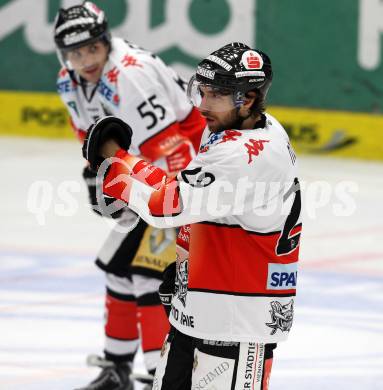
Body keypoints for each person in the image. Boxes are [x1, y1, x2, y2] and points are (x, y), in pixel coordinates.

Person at [82, 42, 302, 390]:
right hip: (205, 308)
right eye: (201, 91)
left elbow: (164, 204)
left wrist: (114, 160)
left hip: (237, 323)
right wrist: (189, 270)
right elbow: (189, 194)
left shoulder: (246, 154)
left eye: (215, 94)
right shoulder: (232, 130)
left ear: (247, 99)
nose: (202, 104)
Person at [53, 2, 206, 389]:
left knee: (148, 274)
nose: (84, 59)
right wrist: (101, 175)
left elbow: (174, 148)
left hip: (183, 171)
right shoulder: (69, 81)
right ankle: (117, 371)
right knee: (119, 272)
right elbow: (93, 140)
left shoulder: (130, 76)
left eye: (91, 48)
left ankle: (162, 377)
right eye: (75, 52)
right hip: (142, 172)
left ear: (105, 42)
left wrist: (173, 204)